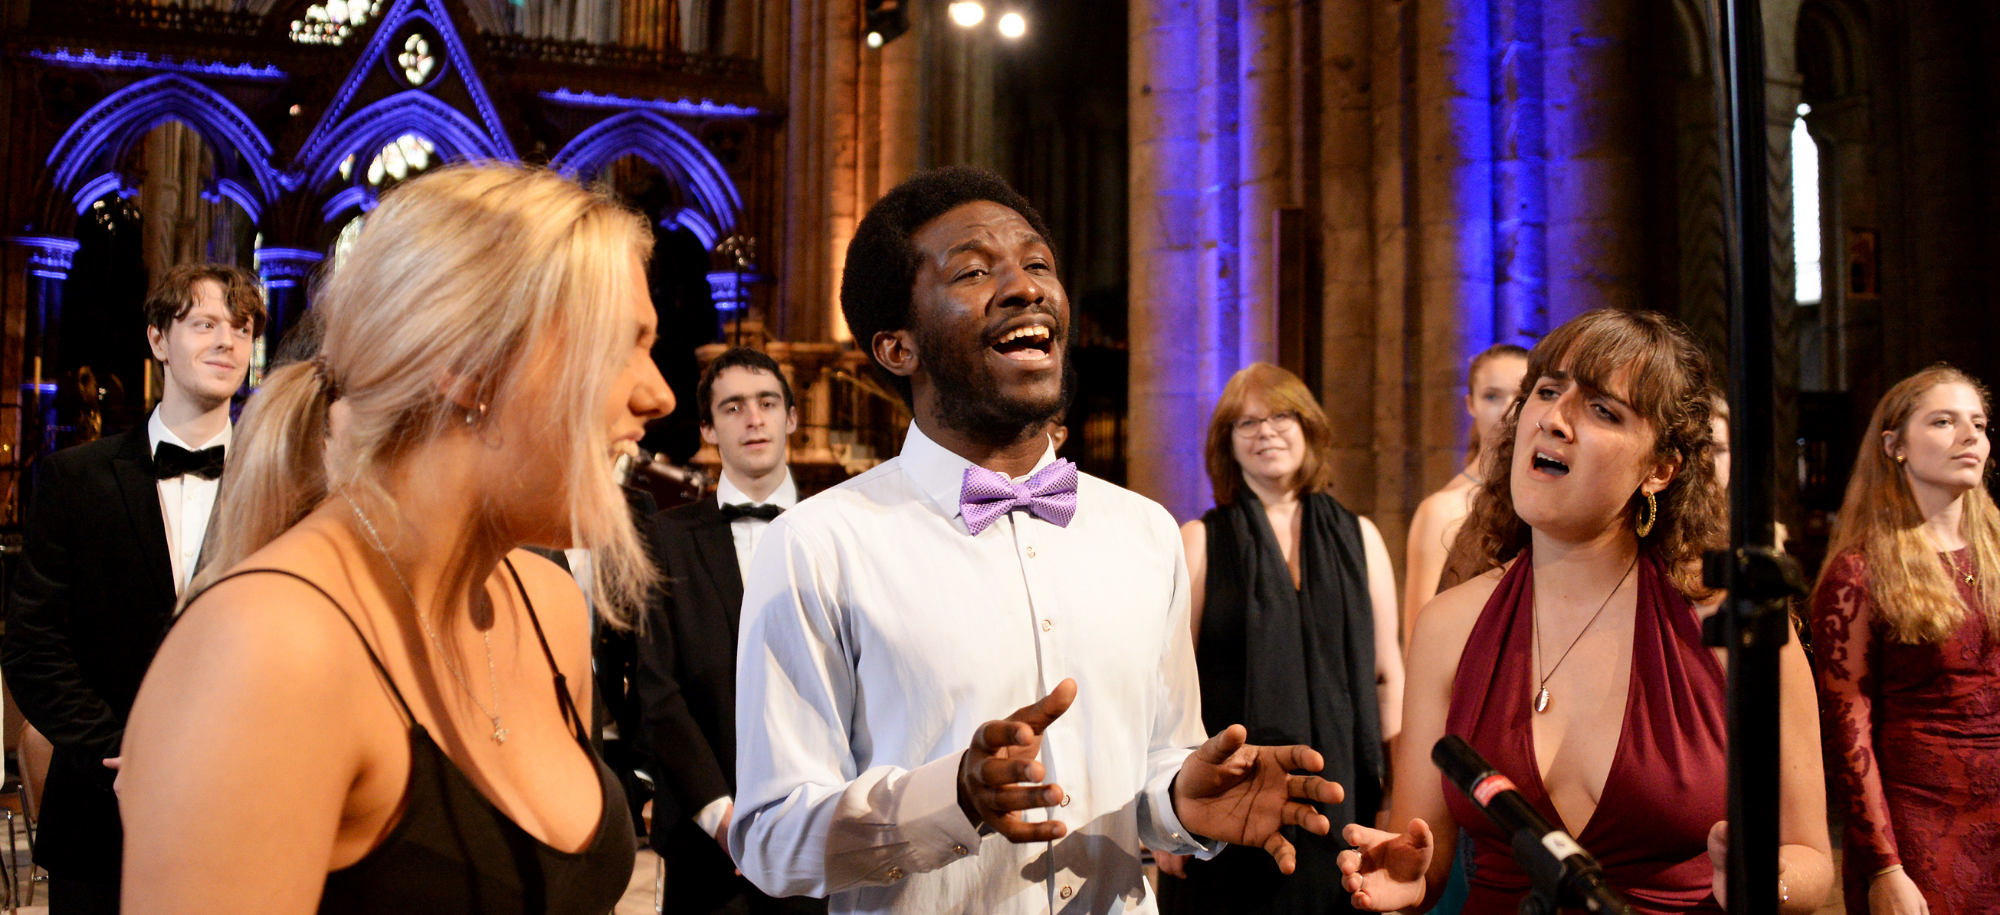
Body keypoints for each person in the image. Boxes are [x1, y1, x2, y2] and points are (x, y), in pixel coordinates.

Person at [731, 166, 1342, 914]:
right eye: (974, 270)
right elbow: (767, 836)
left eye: (1038, 263)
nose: (1025, 287)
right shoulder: (818, 545)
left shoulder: (1144, 531)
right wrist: (949, 798)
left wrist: (1183, 799)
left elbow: (1155, 759)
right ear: (896, 347)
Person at [116, 164, 673, 913]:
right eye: (619, 347)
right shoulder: (271, 646)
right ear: (467, 367)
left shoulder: (549, 607)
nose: (658, 393)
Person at [1337, 309, 1833, 914]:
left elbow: (1810, 856)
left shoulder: (1739, 627)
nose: (1554, 419)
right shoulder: (1450, 624)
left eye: (1603, 410)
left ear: (1660, 469)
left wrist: (1767, 882)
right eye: (1547, 392)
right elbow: (1427, 849)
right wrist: (1409, 882)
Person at [2, 263, 264, 914]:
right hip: (100, 817)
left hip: (244, 812)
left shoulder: (281, 487)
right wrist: (122, 750)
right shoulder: (74, 479)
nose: (227, 341)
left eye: (241, 326)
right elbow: (34, 646)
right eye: (204, 323)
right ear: (156, 339)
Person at [1155, 362, 1403, 915]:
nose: (1266, 431)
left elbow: (1388, 676)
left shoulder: (1361, 537)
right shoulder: (1199, 541)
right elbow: (1167, 687)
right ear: (1228, 445)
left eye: (1281, 416)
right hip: (1228, 804)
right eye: (1247, 423)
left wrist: (1394, 802)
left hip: (1343, 799)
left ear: (1309, 429)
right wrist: (1165, 816)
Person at [638, 346, 824, 914]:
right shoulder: (663, 538)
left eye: (768, 403)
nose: (753, 418)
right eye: (733, 407)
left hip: (820, 828)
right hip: (706, 843)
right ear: (709, 428)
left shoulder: (838, 527)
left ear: (791, 418)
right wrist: (725, 820)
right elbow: (656, 691)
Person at [1810, 364, 2000, 915]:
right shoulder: (1859, 571)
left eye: (1980, 424)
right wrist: (1883, 867)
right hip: (1924, 824)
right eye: (1944, 421)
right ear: (1894, 445)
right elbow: (1848, 725)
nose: (1970, 437)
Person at [1404, 344, 1529, 644]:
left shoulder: (1551, 499)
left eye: (1522, 396)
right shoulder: (1442, 510)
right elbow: (1419, 639)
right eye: (1492, 396)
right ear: (1470, 404)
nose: (1509, 409)